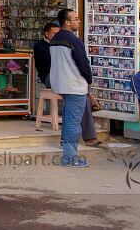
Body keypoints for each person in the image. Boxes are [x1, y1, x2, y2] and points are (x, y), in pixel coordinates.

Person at [35, 20, 102, 146]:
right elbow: (51, 62)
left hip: (66, 78)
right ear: (46, 34)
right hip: (51, 77)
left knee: (80, 102)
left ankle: (85, 137)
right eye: (54, 33)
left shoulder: (63, 43)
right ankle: (83, 139)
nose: (56, 36)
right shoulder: (41, 46)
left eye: (57, 33)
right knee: (80, 103)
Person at [49, 8, 93, 167]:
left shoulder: (55, 39)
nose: (79, 21)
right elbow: (83, 64)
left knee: (69, 119)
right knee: (73, 122)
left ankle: (67, 151)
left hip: (62, 84)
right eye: (76, 19)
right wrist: (89, 79)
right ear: (67, 22)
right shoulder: (74, 41)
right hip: (74, 85)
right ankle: (70, 157)